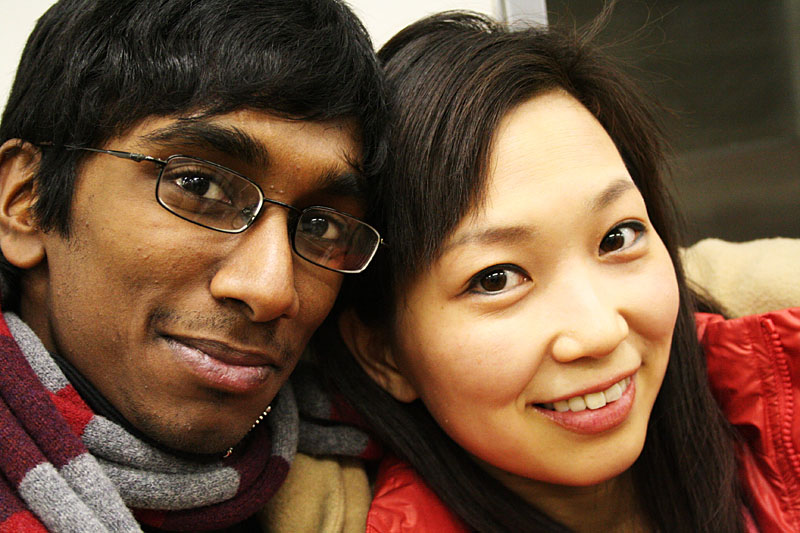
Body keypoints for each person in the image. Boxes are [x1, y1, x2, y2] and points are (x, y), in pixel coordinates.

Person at [315, 11, 800, 533]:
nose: (599, 331)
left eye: (618, 237)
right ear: (382, 353)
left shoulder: (781, 396)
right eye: (496, 278)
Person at [0, 0, 386, 531]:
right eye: (198, 186)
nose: (273, 289)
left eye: (322, 228)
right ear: (25, 204)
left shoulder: (373, 496)